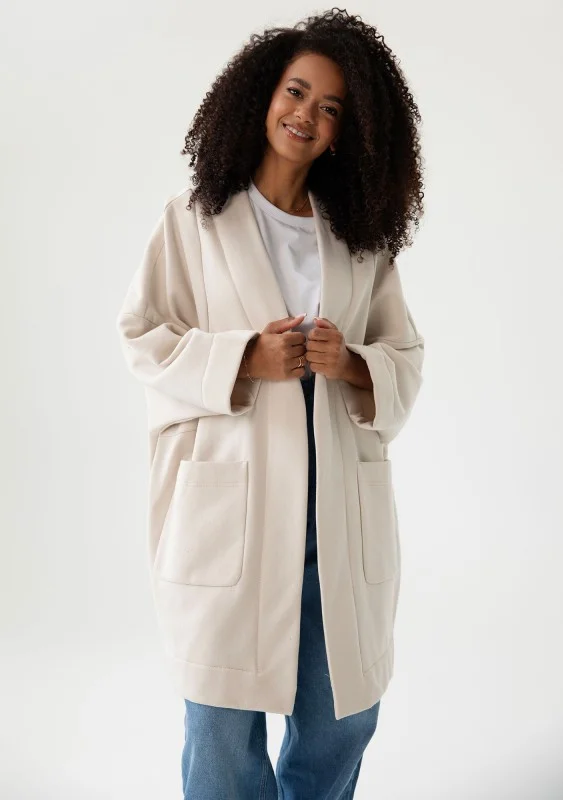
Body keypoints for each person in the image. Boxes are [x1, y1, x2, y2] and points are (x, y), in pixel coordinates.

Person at [116, 9, 425, 798]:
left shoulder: (358, 238)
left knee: (342, 717)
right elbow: (143, 337)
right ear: (262, 94)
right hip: (236, 503)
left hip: (336, 508)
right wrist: (243, 359)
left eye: (331, 108)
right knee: (222, 730)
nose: (307, 114)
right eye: (297, 91)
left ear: (347, 134)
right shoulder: (193, 221)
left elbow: (405, 355)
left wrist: (352, 365)